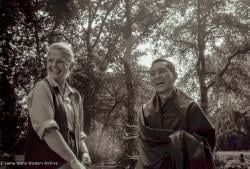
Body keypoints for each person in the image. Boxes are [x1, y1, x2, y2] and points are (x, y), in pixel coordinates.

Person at [136, 58, 216, 169]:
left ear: (175, 76)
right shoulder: (144, 112)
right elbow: (144, 151)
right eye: (152, 74)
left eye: (162, 71)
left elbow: (207, 143)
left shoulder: (190, 107)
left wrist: (181, 139)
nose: (157, 76)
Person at [25, 42, 91, 169]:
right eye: (50, 60)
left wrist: (85, 152)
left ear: (71, 66)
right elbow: (49, 131)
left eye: (60, 61)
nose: (53, 65)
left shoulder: (75, 96)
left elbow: (78, 132)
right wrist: (73, 160)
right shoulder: (42, 89)